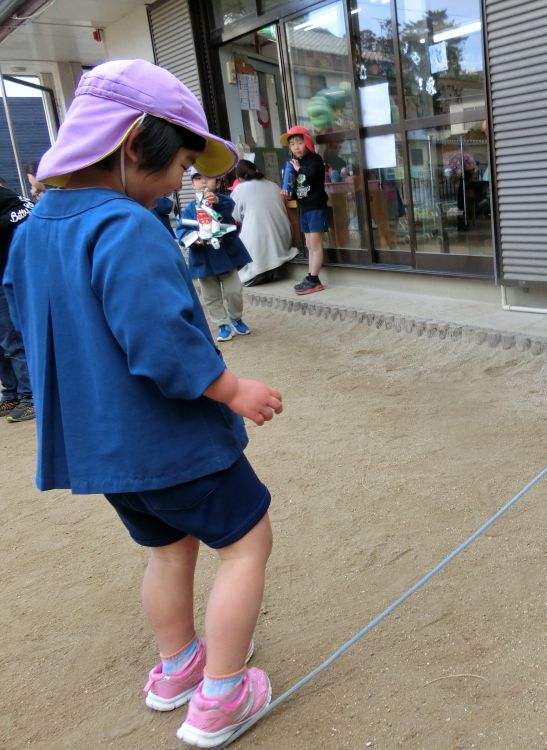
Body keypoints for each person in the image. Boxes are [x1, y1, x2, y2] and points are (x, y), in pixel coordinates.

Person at [2, 59, 279, 748]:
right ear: (133, 146)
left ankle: (175, 667)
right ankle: (220, 696)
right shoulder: (126, 226)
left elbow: (24, 322)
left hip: (105, 451)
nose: (180, 181)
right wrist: (233, 389)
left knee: (167, 550)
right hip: (171, 441)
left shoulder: (34, 231)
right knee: (247, 543)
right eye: (179, 163)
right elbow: (161, 340)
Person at [177, 167, 253, 342]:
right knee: (210, 296)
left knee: (234, 290)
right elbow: (182, 230)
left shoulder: (224, 201)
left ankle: (236, 318)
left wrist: (217, 201)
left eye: (208, 178)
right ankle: (222, 324)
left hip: (225, 255)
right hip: (203, 257)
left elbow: (230, 210)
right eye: (198, 178)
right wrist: (193, 239)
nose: (203, 182)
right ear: (193, 183)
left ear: (218, 183)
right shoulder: (189, 209)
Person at [230, 159, 297, 286]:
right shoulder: (274, 185)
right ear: (257, 170)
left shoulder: (239, 189)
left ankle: (258, 272)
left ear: (239, 178)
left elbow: (235, 216)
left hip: (258, 243)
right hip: (284, 239)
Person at [280, 125, 328, 295]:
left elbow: (313, 174)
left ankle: (315, 280)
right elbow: (296, 187)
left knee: (315, 245)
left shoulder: (315, 159)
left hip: (316, 207)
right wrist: (287, 192)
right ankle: (310, 277)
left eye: (299, 143)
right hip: (304, 208)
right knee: (308, 245)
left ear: (307, 142)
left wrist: (300, 169)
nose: (296, 147)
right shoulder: (295, 164)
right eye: (292, 144)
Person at [0, 183, 34, 422]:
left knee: (12, 339)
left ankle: (29, 396)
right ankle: (10, 392)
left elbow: (27, 210)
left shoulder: (5, 196)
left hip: (4, 278)